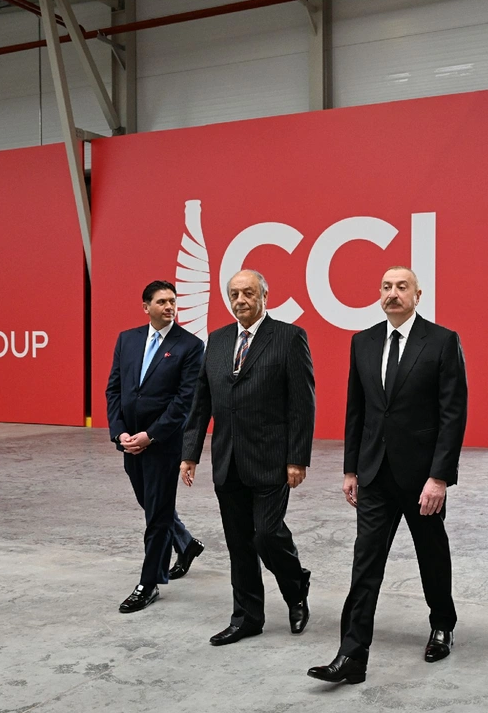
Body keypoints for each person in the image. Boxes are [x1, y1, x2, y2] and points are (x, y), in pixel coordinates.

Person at [307, 266, 468, 685]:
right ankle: (351, 654)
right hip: (374, 474)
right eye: (386, 287)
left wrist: (439, 478)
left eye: (401, 287)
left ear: (418, 294)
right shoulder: (363, 342)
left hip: (422, 479)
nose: (392, 293)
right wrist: (350, 469)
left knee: (431, 554)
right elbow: (356, 410)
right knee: (365, 562)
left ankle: (442, 624)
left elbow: (452, 415)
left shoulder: (442, 341)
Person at [180, 270, 315, 646]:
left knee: (267, 534)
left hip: (271, 458)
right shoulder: (218, 339)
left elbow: (302, 403)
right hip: (228, 460)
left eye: (249, 293)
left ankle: (295, 588)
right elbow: (202, 400)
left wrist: (297, 458)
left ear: (264, 296)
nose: (241, 300)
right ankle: (247, 618)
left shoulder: (289, 337)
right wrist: (190, 453)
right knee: (239, 543)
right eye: (235, 294)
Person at [106, 280, 206, 613]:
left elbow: (184, 401)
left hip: (163, 445)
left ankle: (149, 583)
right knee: (151, 506)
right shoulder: (127, 339)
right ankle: (185, 544)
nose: (169, 306)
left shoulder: (190, 346)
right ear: (145, 307)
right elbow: (114, 390)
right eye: (161, 301)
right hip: (130, 443)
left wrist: (150, 435)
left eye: (172, 301)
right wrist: (120, 433)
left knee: (157, 516)